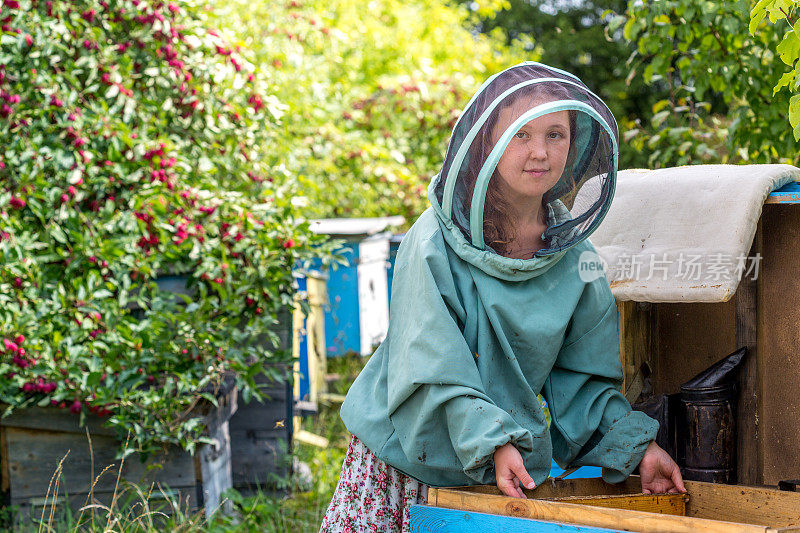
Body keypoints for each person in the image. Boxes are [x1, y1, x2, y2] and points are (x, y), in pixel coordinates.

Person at [319, 62, 685, 533]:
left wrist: (640, 450)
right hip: (402, 461)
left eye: (556, 134)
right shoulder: (432, 242)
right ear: (486, 143)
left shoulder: (576, 260)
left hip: (501, 464)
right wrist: (492, 443)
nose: (540, 152)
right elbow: (430, 373)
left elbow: (586, 384)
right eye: (521, 134)